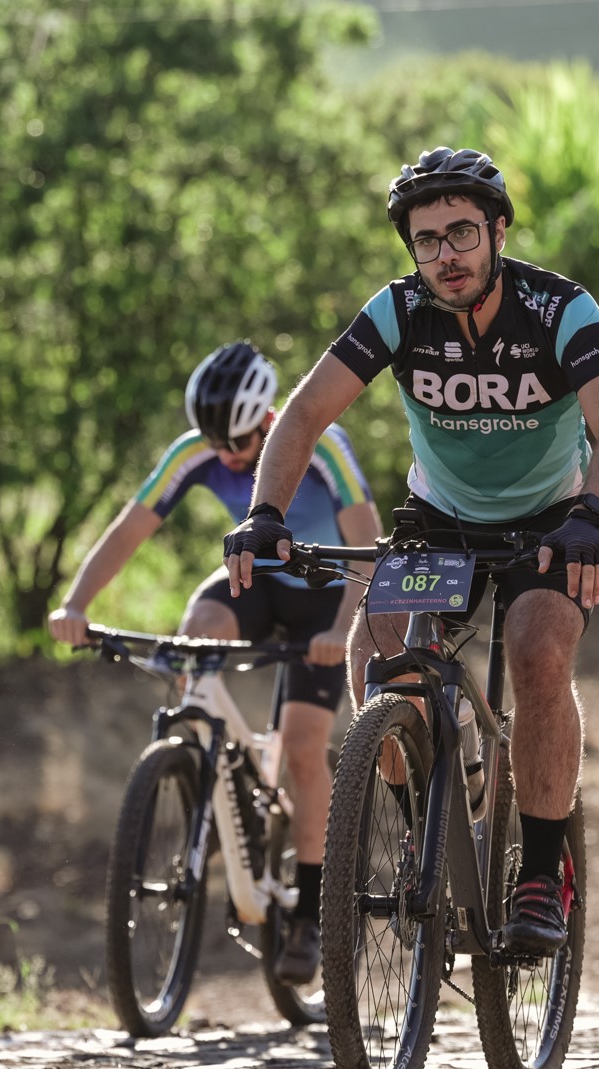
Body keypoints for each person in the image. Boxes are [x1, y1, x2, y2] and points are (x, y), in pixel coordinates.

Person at [221, 147, 599, 958]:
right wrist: (265, 512)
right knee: (378, 657)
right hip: (438, 520)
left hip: (550, 521)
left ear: (497, 230)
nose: (446, 255)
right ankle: (429, 833)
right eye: (427, 240)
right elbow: (305, 416)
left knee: (537, 649)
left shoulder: (560, 309)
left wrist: (593, 510)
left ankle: (540, 873)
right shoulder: (398, 311)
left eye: (461, 233)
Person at [48, 341, 381, 985]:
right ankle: (208, 763)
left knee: (306, 747)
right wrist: (76, 603)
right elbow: (129, 528)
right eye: (218, 447)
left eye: (240, 446)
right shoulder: (195, 450)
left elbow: (365, 542)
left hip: (327, 597)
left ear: (266, 421)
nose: (230, 461)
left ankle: (310, 913)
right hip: (254, 581)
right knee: (195, 632)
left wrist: (343, 629)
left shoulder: (324, 445)